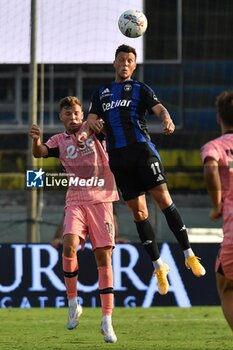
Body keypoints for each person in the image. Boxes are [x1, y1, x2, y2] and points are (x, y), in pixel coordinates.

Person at [77, 44, 206, 295]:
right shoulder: (101, 92)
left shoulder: (140, 89)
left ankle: (189, 254)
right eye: (121, 59)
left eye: (130, 60)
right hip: (117, 157)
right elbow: (90, 120)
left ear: (134, 66)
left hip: (142, 150)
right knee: (138, 213)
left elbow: (160, 109)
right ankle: (159, 266)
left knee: (163, 199)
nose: (125, 63)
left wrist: (167, 120)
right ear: (114, 63)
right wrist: (91, 126)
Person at [29, 96, 119, 343]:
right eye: (68, 113)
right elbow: (40, 153)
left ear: (82, 114)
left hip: (101, 200)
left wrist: (101, 127)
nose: (73, 117)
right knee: (68, 245)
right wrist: (36, 140)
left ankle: (107, 320)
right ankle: (72, 304)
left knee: (103, 256)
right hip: (76, 200)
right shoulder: (58, 140)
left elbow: (108, 130)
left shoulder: (95, 131)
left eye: (77, 113)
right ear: (61, 117)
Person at [201, 91, 233, 331]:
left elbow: (211, 168)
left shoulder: (216, 147)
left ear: (218, 118)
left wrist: (216, 204)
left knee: (227, 287)